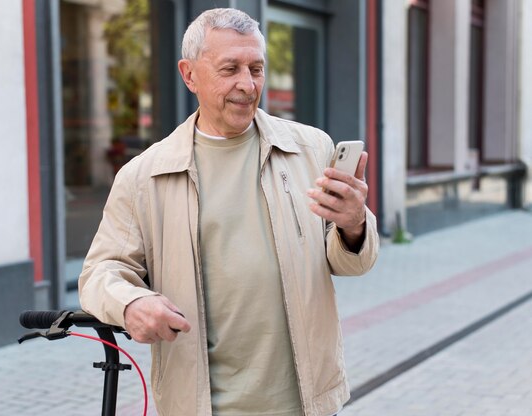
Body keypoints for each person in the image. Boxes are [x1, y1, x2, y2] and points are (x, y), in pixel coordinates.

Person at [79, 8, 378, 416]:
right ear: (189, 75)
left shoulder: (310, 149)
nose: (247, 84)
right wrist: (130, 304)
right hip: (202, 406)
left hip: (305, 401)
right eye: (230, 69)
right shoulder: (144, 175)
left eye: (256, 68)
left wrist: (354, 225)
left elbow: (350, 263)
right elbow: (101, 271)